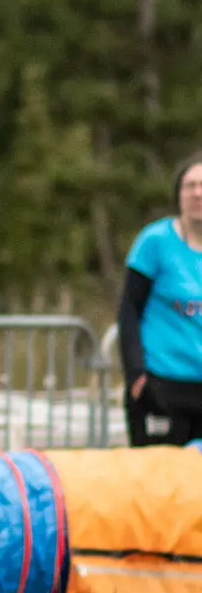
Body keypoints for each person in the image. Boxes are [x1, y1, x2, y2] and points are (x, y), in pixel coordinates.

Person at [119, 154, 202, 446]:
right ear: (179, 194)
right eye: (190, 185)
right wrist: (135, 375)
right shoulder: (155, 241)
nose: (197, 193)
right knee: (158, 484)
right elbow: (129, 309)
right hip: (161, 385)